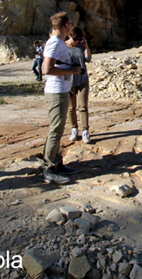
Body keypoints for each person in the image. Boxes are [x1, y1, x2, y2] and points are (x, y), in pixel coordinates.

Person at [40, 12, 84, 184]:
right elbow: (47, 69)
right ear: (66, 25)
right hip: (55, 91)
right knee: (56, 130)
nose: (72, 26)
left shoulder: (58, 43)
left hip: (61, 90)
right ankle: (48, 168)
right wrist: (72, 71)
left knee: (58, 129)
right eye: (71, 23)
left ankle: (57, 163)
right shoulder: (54, 43)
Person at [65, 27, 92, 144]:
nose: (77, 41)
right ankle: (74, 129)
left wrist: (86, 46)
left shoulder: (81, 45)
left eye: (79, 39)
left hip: (82, 79)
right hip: (69, 81)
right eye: (75, 39)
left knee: (83, 106)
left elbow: (88, 59)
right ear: (70, 36)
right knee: (71, 107)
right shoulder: (63, 46)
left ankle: (85, 131)